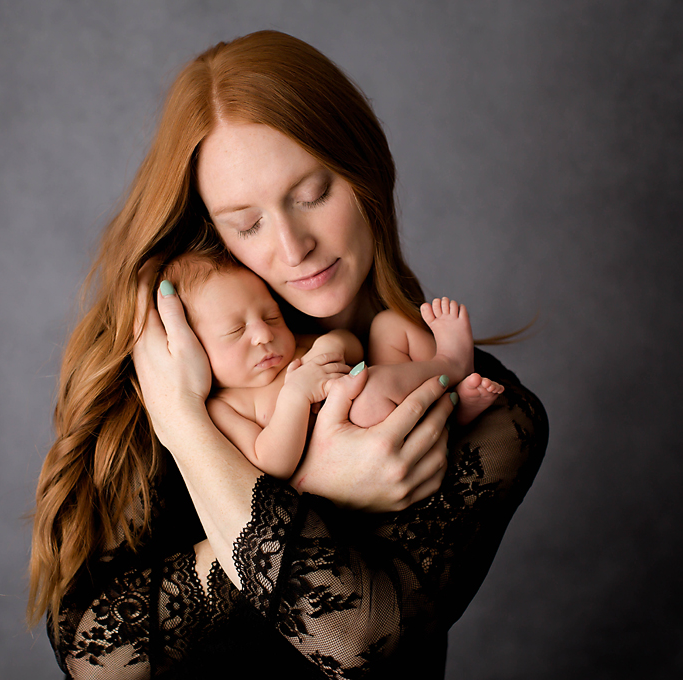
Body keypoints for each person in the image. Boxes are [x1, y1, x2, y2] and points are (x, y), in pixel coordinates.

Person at [27, 30, 548, 680]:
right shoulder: (181, 370)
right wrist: (186, 427)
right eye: (247, 224)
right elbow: (92, 655)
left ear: (366, 171)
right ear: (215, 228)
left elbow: (360, 638)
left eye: (311, 196)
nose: (293, 247)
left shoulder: (492, 411)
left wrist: (293, 489)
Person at [159, 251, 505, 479]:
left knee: (388, 325)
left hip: (387, 398)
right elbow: (271, 463)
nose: (264, 334)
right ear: (193, 347)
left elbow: (353, 348)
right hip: (361, 439)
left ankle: (451, 400)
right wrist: (294, 397)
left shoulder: (295, 348)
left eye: (271, 316)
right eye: (235, 331)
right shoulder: (225, 406)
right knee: (371, 393)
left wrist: (330, 345)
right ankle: (450, 365)